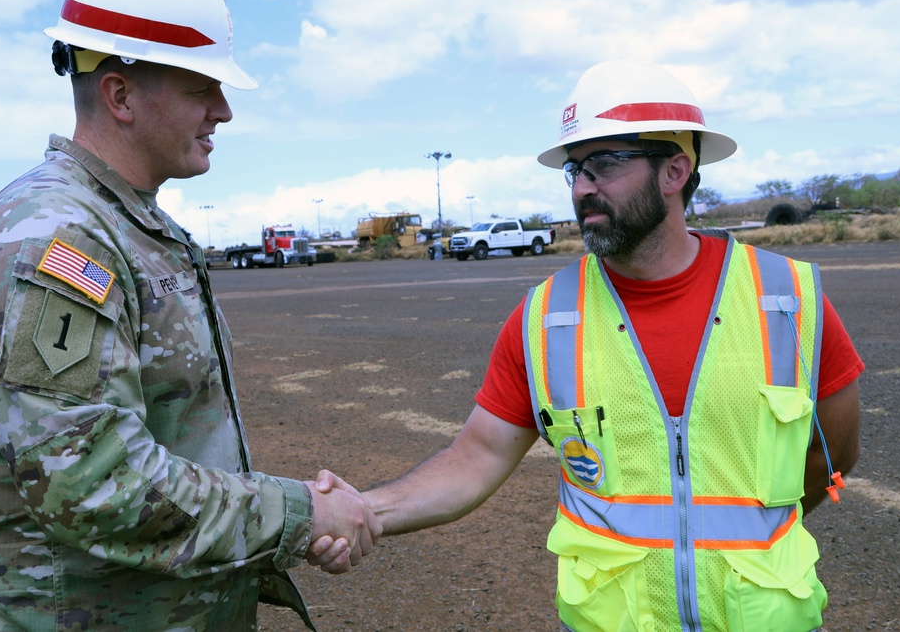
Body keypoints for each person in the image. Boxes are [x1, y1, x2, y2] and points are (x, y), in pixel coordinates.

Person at [310, 59, 863, 631]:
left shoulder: (788, 298)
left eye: (604, 164)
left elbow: (833, 456)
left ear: (675, 171)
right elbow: (475, 458)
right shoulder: (548, 317)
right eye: (574, 169)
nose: (581, 188)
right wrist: (367, 510)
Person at [0, 0, 378, 630]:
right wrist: (298, 511)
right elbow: (94, 483)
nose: (223, 110)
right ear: (120, 94)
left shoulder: (134, 224)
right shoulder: (57, 238)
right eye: (200, 87)